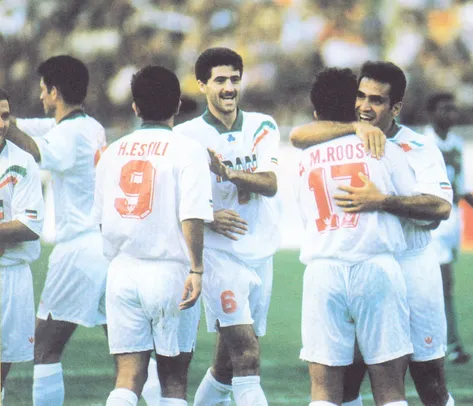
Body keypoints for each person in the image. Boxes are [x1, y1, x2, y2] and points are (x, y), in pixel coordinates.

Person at [290, 61, 455, 406]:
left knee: (429, 378)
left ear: (395, 108)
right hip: (369, 263)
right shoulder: (342, 134)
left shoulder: (417, 147)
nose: (365, 106)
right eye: (360, 96)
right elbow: (297, 135)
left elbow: (440, 207)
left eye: (376, 100)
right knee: (351, 376)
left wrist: (383, 201)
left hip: (412, 262)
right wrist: (353, 127)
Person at [5, 55, 162, 406]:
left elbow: (37, 150)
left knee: (44, 347)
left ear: (54, 92)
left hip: (78, 251)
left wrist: (7, 128)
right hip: (108, 248)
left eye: (43, 90)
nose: (41, 97)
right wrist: (9, 121)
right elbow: (36, 128)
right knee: (127, 347)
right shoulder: (90, 126)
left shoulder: (68, 134)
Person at [92, 65, 213, 406]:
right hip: (170, 271)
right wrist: (197, 268)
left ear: (135, 107)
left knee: (128, 377)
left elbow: (101, 221)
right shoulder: (188, 149)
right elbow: (192, 215)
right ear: (178, 105)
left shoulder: (112, 152)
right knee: (173, 379)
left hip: (122, 271)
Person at [175, 47, 280, 406]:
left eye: (235, 79)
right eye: (220, 80)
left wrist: (228, 173)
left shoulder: (262, 125)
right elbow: (171, 201)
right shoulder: (186, 136)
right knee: (247, 357)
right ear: (202, 84)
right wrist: (207, 216)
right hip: (219, 257)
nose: (229, 88)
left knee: (225, 367)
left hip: (260, 253)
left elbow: (270, 184)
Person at [424, 92, 473, 364]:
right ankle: (451, 344)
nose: (451, 114)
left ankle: (439, 342)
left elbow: (462, 186)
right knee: (441, 284)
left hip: (453, 219)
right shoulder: (422, 143)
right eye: (444, 109)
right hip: (433, 221)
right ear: (431, 113)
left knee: (442, 285)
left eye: (453, 109)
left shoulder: (456, 144)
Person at [0, 88, 45, 404]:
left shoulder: (22, 162)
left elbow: (29, 226)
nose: (1, 124)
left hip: (10, 275)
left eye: (4, 116)